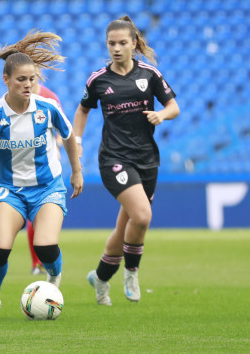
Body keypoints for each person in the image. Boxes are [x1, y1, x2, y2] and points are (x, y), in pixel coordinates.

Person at [0, 30, 82, 321]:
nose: (28, 84)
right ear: (5, 80)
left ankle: (54, 279)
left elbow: (69, 137)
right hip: (11, 190)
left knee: (45, 246)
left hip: (48, 188)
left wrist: (76, 173)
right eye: (21, 79)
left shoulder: (47, 108)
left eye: (32, 79)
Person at [74, 16, 180, 305]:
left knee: (125, 229)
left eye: (122, 43)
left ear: (134, 43)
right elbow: (83, 110)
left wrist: (162, 115)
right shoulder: (98, 79)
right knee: (143, 216)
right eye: (111, 43)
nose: (117, 48)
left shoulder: (149, 75)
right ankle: (131, 273)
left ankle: (99, 278)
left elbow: (174, 106)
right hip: (114, 159)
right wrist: (78, 142)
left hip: (146, 160)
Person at [27, 69, 64, 275]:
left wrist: (57, 147)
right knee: (32, 218)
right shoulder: (13, 98)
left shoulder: (49, 97)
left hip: (45, 165)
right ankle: (37, 263)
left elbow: (62, 131)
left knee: (43, 215)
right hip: (21, 166)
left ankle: (44, 261)